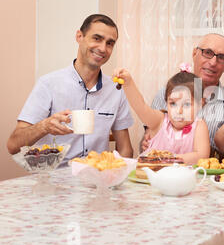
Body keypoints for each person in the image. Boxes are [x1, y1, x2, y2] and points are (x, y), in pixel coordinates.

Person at [7, 14, 134, 165]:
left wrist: (114, 176)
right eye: (97, 38)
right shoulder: (48, 84)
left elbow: (126, 149)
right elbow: (13, 146)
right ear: (79, 36)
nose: (102, 48)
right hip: (57, 182)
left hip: (98, 179)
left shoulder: (115, 89)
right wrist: (44, 126)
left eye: (110, 43)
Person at [141, 33, 224, 156]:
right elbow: (146, 142)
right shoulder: (165, 94)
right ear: (194, 53)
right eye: (208, 52)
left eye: (221, 57)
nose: (213, 62)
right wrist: (146, 142)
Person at [114, 68, 210, 164]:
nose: (179, 111)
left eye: (187, 104)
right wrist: (128, 84)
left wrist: (168, 159)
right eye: (173, 104)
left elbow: (201, 156)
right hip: (149, 177)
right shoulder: (160, 121)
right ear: (166, 102)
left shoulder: (199, 126)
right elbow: (141, 107)